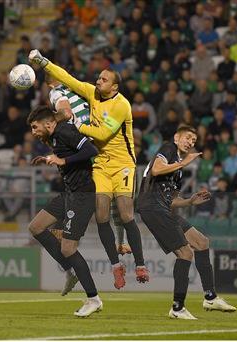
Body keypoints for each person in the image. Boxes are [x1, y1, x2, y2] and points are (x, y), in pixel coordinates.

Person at [30, 49, 149, 289]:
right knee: (102, 216)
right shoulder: (90, 94)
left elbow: (104, 133)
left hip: (123, 163)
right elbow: (69, 78)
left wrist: (76, 126)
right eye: (99, 77)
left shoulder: (121, 105)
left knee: (126, 214)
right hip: (101, 164)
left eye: (104, 79)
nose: (98, 81)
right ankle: (116, 266)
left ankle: (140, 263)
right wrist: (44, 62)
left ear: (114, 87)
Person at [137, 125, 236, 319]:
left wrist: (190, 201)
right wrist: (184, 163)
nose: (191, 142)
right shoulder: (168, 149)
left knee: (201, 242)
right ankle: (177, 307)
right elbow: (156, 170)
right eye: (188, 137)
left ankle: (210, 297)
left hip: (163, 208)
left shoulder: (179, 172)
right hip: (151, 207)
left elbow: (171, 201)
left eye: (193, 140)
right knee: (185, 253)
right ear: (176, 137)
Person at [47, 78, 131, 292]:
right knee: (107, 210)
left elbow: (65, 114)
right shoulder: (84, 92)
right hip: (100, 147)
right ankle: (117, 255)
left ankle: (111, 262)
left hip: (91, 149)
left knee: (100, 209)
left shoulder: (63, 93)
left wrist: (49, 120)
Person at [27, 105, 102, 317]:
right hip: (69, 193)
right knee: (36, 227)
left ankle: (93, 299)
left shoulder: (64, 131)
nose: (33, 131)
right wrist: (51, 158)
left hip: (83, 195)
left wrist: (62, 160)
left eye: (35, 127)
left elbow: (90, 151)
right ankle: (69, 270)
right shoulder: (54, 138)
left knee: (69, 248)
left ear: (49, 123)